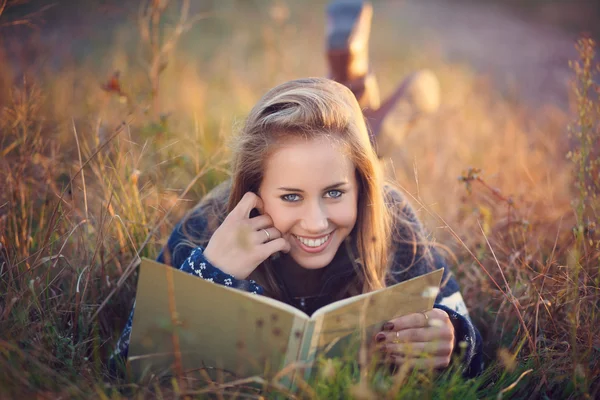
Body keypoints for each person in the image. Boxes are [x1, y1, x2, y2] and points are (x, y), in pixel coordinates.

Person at [111, 77, 483, 378]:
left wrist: (453, 338)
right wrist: (209, 272)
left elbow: (475, 353)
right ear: (255, 192)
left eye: (335, 192)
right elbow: (122, 366)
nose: (316, 222)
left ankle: (362, 109)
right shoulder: (206, 227)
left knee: (352, 145)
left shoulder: (391, 220)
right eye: (291, 197)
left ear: (360, 186)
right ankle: (358, 99)